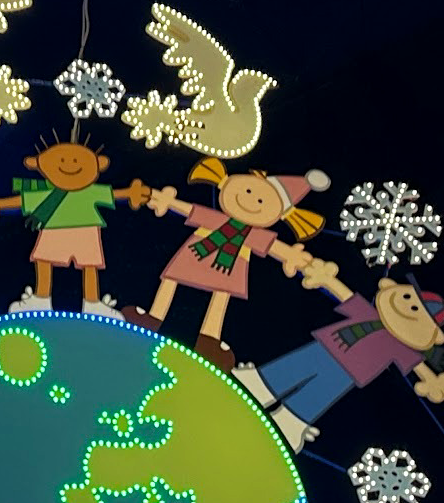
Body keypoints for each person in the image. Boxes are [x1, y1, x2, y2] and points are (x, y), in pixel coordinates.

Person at [124, 158, 329, 370]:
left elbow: (273, 247)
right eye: (248, 191)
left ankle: (209, 340)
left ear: (279, 214)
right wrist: (166, 200)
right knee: (171, 279)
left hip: (230, 265)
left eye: (261, 201)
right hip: (196, 254)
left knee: (220, 297)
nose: (250, 200)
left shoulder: (253, 234)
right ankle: (153, 317)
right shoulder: (215, 219)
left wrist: (292, 256)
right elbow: (190, 210)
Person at [233, 271, 444, 453]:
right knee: (297, 366)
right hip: (327, 347)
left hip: (348, 372)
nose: (408, 308)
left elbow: (418, 366)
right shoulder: (368, 313)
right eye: (409, 298)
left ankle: (290, 421)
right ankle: (260, 384)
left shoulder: (400, 346)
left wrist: (433, 381)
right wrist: (326, 279)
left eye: (417, 310)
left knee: (318, 393)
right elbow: (346, 296)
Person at [0, 138, 150, 316]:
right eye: (62, 160)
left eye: (76, 160)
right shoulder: (47, 195)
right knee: (45, 262)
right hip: (54, 232)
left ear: (99, 164)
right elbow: (22, 201)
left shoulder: (89, 192)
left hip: (85, 232)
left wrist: (131, 193)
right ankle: (41, 299)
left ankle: (92, 303)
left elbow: (113, 194)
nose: (69, 165)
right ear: (37, 164)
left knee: (89, 266)